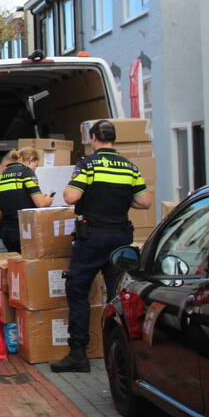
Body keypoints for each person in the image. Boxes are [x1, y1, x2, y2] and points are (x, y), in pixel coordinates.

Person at [51, 119, 152, 373]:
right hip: (120, 239)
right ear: (113, 139)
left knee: (78, 290)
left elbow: (70, 196)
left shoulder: (88, 165)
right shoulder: (129, 167)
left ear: (94, 138)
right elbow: (145, 201)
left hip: (92, 239)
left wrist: (90, 193)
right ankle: (123, 353)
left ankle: (78, 354)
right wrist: (121, 200)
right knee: (117, 296)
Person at [0, 147, 54, 253]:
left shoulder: (1, 176)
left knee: (16, 266)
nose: (35, 169)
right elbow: (41, 204)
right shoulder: (26, 173)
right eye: (36, 165)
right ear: (31, 160)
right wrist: (48, 200)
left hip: (6, 231)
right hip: (25, 230)